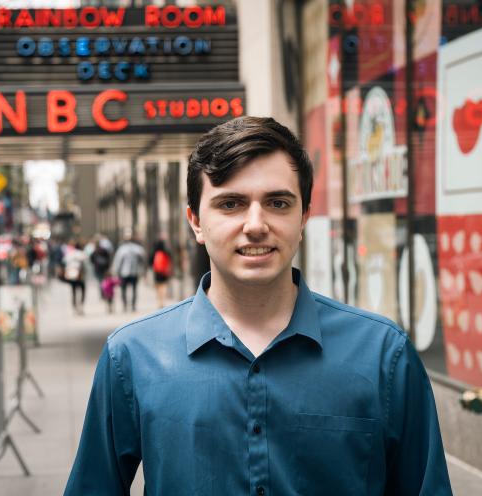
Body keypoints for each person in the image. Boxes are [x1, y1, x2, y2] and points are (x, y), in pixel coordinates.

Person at [64, 117, 452, 495]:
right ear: (196, 221)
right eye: (230, 203)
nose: (255, 224)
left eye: (278, 203)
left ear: (304, 217)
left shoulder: (383, 355)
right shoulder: (131, 357)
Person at [111, 230, 146, 312]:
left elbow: (118, 261)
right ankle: (133, 305)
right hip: (134, 272)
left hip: (124, 273)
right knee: (134, 289)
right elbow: (143, 260)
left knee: (124, 289)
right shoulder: (138, 249)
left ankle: (125, 305)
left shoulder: (122, 249)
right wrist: (143, 270)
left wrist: (115, 271)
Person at [62, 240, 87, 316]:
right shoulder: (82, 253)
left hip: (72, 274)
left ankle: (74, 306)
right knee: (82, 290)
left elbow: (64, 261)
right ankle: (81, 305)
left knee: (73, 291)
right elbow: (86, 262)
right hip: (80, 274)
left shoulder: (70, 254)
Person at [150, 238, 173, 308]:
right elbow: (169, 261)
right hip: (164, 272)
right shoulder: (166, 252)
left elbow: (150, 262)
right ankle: (162, 301)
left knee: (158, 286)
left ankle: (159, 301)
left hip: (157, 272)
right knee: (163, 286)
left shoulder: (154, 252)